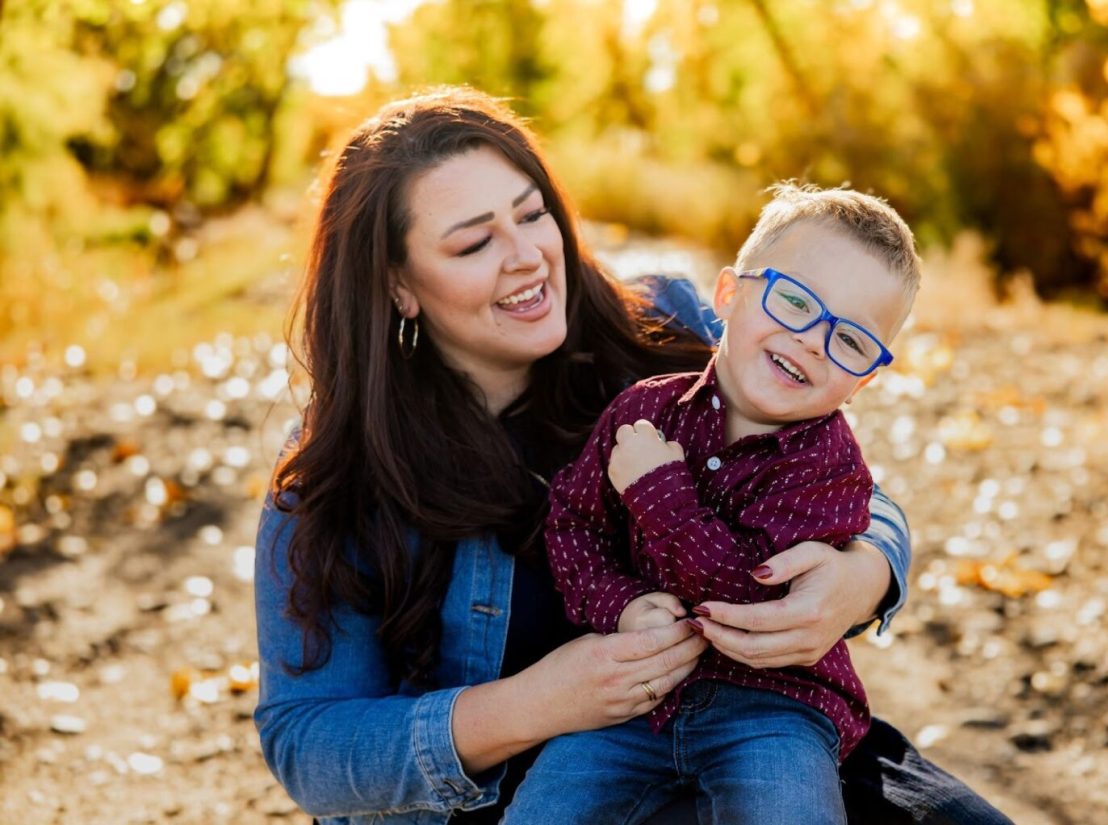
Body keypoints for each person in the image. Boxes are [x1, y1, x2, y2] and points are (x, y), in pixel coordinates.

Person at [253, 85, 1013, 825]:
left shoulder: (661, 329)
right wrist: (536, 702)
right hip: (546, 779)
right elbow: (308, 745)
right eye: (475, 242)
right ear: (398, 285)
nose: (527, 257)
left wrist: (867, 572)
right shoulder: (337, 470)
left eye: (532, 213)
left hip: (760, 719)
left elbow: (820, 465)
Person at [502, 185, 920, 825]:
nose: (812, 340)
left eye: (852, 341)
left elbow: (747, 602)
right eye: (794, 300)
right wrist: (619, 604)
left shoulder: (831, 471)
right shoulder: (642, 411)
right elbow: (575, 524)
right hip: (632, 701)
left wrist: (659, 493)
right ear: (727, 295)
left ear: (864, 379)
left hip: (776, 709)